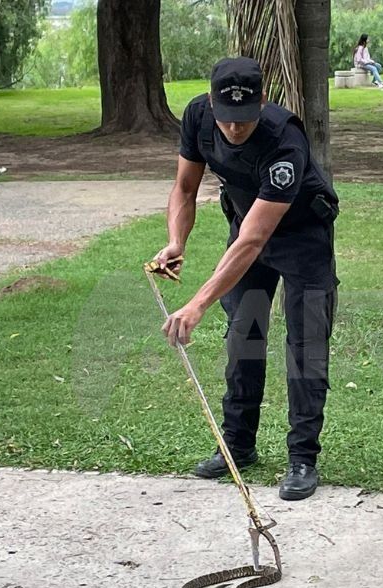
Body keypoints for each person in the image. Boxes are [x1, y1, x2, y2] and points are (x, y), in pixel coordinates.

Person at [152, 56, 341, 502]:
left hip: (302, 238)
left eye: (244, 118)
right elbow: (184, 188)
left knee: (306, 345)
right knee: (245, 334)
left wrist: (197, 303)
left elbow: (255, 239)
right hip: (246, 229)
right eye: (226, 117)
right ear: (211, 103)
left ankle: (302, 459)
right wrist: (176, 240)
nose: (235, 128)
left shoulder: (284, 140)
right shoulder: (198, 117)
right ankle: (238, 445)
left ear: (262, 102)